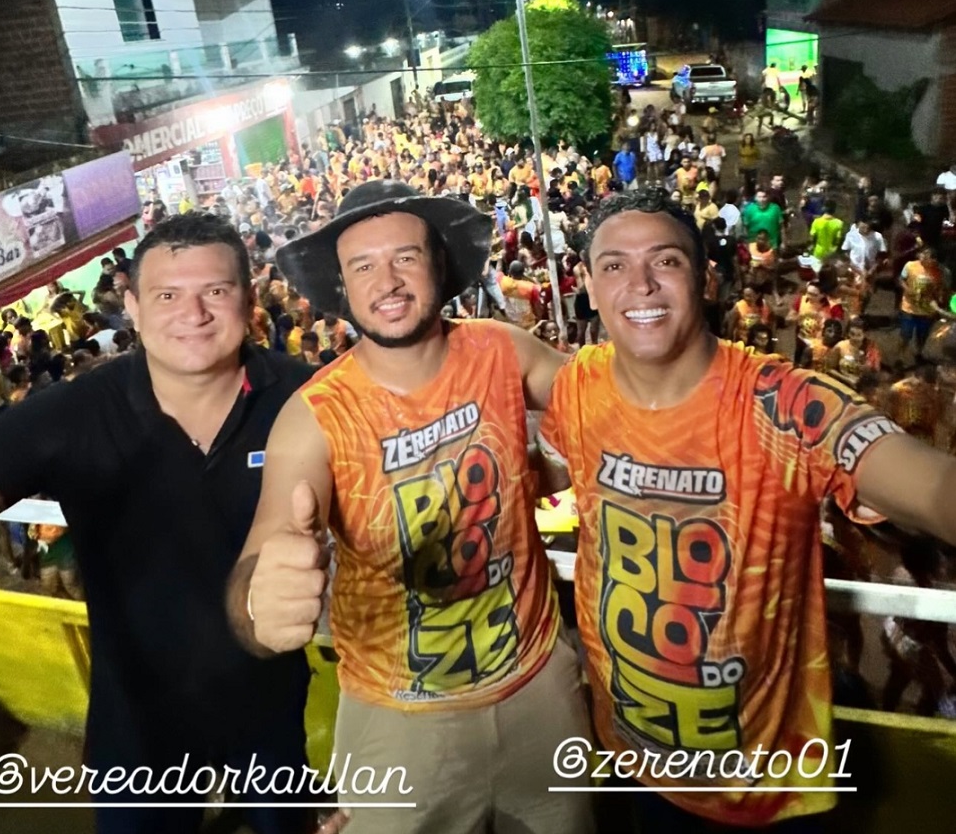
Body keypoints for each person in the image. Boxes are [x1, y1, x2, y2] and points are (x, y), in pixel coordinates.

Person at [536, 188, 956, 832]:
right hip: (630, 765)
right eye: (615, 265)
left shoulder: (785, 404)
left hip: (764, 793)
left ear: (706, 279)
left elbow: (930, 488)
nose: (640, 284)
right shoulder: (577, 386)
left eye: (666, 261)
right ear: (589, 287)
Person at [227, 180, 594, 834]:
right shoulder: (315, 416)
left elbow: (605, 407)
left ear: (439, 264)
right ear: (342, 287)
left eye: (405, 257)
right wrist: (259, 604)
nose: (387, 281)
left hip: (540, 690)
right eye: (363, 266)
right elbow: (269, 543)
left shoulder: (500, 350)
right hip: (399, 720)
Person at [0, 213, 317, 834]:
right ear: (133, 307)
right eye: (167, 296)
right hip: (138, 722)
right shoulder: (73, 412)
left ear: (248, 298)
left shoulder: (310, 397)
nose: (193, 314)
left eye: (215, 290)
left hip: (272, 707)